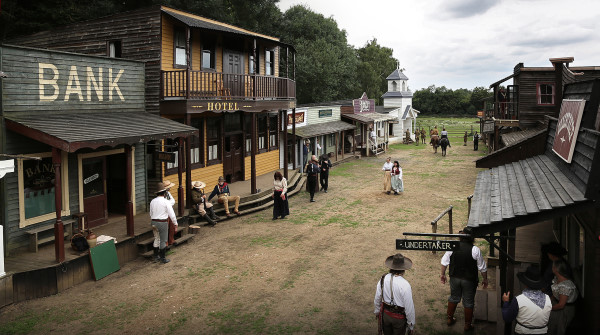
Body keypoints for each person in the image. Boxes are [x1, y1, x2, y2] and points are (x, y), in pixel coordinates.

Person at [440, 232, 488, 331]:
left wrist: (443, 274)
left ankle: (449, 319)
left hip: (455, 278)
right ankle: (467, 325)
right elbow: (482, 267)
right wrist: (485, 279)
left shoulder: (452, 247)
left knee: (454, 297)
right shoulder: (475, 250)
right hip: (469, 280)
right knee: (469, 302)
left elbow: (444, 262)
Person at [502, 265, 552, 334]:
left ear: (525, 284)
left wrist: (506, 302)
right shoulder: (548, 298)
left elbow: (507, 318)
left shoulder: (519, 300)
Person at [374, 253, 416, 335]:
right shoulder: (405, 285)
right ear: (403, 269)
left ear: (391, 267)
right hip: (399, 318)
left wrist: (377, 311)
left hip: (385, 315)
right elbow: (409, 306)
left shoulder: (383, 279)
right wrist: (411, 324)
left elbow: (377, 297)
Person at [149, 182, 178, 264]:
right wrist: (175, 223)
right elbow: (171, 214)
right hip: (162, 222)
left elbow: (150, 213)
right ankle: (163, 258)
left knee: (157, 238)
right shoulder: (166, 202)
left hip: (154, 221)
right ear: (164, 192)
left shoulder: (152, 201)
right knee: (163, 240)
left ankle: (155, 256)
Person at [548, 259, 578, 335]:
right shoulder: (557, 279)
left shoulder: (565, 285)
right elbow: (555, 295)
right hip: (557, 306)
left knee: (560, 329)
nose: (552, 268)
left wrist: (548, 308)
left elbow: (561, 305)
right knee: (552, 327)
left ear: (556, 269)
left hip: (565, 310)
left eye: (553, 266)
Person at [160, 180, 176, 246]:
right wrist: (167, 204)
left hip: (168, 210)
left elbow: (173, 201)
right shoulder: (162, 194)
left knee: (172, 225)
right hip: (163, 212)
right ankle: (165, 243)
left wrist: (167, 204)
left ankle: (171, 240)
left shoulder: (168, 194)